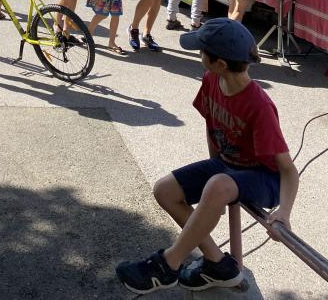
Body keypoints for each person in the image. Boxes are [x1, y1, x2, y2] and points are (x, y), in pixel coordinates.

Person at [116, 19, 298, 294]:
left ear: (220, 63)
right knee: (165, 190)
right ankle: (218, 265)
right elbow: (212, 126)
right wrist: (215, 181)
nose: (198, 56)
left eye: (202, 52)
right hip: (228, 168)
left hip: (266, 178)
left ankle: (168, 266)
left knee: (218, 184)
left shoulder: (259, 106)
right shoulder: (212, 79)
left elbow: (287, 169)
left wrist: (283, 213)